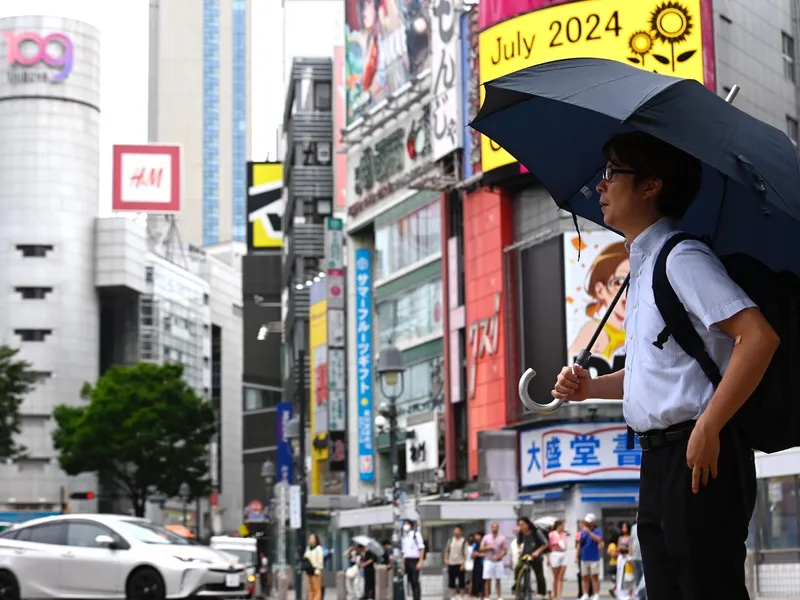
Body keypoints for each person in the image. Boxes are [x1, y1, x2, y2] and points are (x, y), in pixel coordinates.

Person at [551, 131, 777, 600]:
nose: (600, 186)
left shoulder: (682, 258)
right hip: (658, 463)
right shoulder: (643, 267)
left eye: (613, 173)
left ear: (651, 186)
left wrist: (709, 426)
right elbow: (653, 376)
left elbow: (757, 337)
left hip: (699, 457)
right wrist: (590, 388)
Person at [514, 517, 548, 599]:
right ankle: (517, 587)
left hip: (535, 556)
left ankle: (542, 593)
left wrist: (537, 552)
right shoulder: (521, 532)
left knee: (539, 575)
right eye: (519, 525)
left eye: (522, 525)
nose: (521, 527)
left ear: (528, 524)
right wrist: (519, 549)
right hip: (525, 555)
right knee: (518, 567)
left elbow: (545, 544)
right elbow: (518, 542)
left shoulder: (536, 532)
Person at [575, 514, 603, 600]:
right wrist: (577, 556)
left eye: (589, 522)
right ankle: (585, 594)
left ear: (593, 522)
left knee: (594, 576)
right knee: (584, 576)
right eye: (587, 522)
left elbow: (599, 540)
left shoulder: (597, 531)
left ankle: (596, 594)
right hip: (584, 557)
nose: (587, 523)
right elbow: (580, 544)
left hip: (594, 557)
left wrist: (589, 532)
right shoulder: (582, 531)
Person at [481, 522, 508, 600]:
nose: (494, 529)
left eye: (496, 527)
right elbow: (481, 548)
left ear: (498, 528)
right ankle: (487, 596)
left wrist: (500, 556)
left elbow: (505, 550)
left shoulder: (502, 538)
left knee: (498, 579)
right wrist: (488, 547)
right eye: (493, 527)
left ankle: (499, 596)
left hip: (498, 561)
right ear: (491, 528)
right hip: (488, 560)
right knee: (487, 579)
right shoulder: (486, 537)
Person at [400, 519, 425, 600]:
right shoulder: (404, 537)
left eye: (407, 524)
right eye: (404, 524)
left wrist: (420, 561)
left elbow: (421, 548)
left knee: (415, 581)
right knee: (410, 580)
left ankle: (417, 597)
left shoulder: (416, 534)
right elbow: (404, 551)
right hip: (407, 560)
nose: (405, 526)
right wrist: (403, 563)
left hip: (415, 560)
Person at [445, 525, 469, 600]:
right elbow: (446, 551)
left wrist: (464, 563)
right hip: (451, 563)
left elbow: (466, 554)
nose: (456, 532)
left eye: (458, 531)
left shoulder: (463, 541)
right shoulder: (450, 540)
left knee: (461, 581)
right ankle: (453, 596)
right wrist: (446, 559)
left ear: (461, 532)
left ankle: (462, 596)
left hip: (460, 563)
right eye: (455, 531)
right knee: (452, 581)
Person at [549, 520, 568, 600]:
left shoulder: (564, 534)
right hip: (555, 553)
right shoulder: (552, 534)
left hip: (563, 553)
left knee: (561, 577)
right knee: (556, 576)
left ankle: (559, 595)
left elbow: (564, 544)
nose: (563, 527)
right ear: (558, 526)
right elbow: (552, 544)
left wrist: (561, 541)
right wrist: (559, 541)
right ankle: (555, 594)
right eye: (562, 525)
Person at [304, 533, 324, 600]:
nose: (311, 540)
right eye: (310, 538)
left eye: (312, 538)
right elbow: (305, 557)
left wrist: (317, 568)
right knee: (310, 589)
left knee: (316, 589)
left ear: (316, 539)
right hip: (309, 570)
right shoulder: (308, 548)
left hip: (316, 571)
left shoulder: (319, 548)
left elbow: (320, 560)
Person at [630, 515, 645, 600]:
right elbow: (631, 542)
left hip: (643, 557)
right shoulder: (633, 528)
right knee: (637, 577)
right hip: (635, 557)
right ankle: (640, 597)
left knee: (644, 579)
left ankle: (640, 593)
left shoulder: (645, 527)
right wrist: (630, 554)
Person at [469, 531, 486, 599]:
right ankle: (477, 594)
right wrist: (474, 555)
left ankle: (483, 595)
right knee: (476, 580)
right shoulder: (475, 545)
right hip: (476, 564)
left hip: (483, 564)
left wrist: (478, 554)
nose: (476, 537)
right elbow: (472, 554)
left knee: (482, 580)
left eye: (477, 535)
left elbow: (486, 554)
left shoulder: (484, 544)